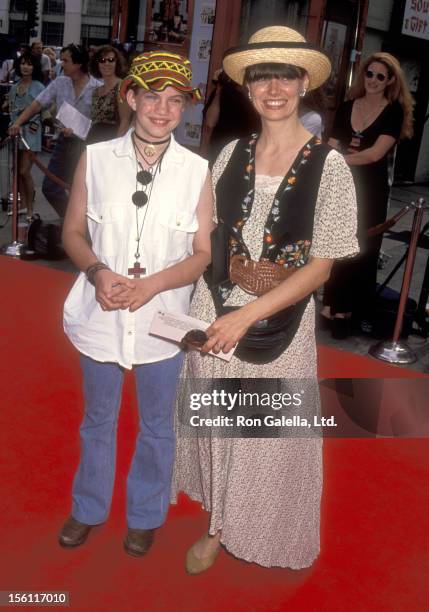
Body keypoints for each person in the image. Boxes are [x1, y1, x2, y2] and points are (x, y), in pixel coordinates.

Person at [171, 26, 358, 572]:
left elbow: (321, 267)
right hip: (214, 306)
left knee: (266, 432)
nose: (272, 87)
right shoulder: (229, 153)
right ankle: (216, 523)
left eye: (284, 75)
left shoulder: (332, 166)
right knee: (217, 420)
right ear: (247, 88)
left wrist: (247, 314)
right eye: (260, 76)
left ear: (304, 83)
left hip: (281, 316)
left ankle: (264, 528)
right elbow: (207, 236)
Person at [59, 51, 213, 557]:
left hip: (164, 319)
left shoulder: (196, 170)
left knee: (157, 425)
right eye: (152, 97)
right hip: (100, 314)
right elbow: (74, 232)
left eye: (174, 101)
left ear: (186, 108)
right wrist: (98, 272)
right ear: (131, 97)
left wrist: (151, 286)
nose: (163, 110)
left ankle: (145, 514)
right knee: (97, 419)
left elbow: (202, 254)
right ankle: (87, 508)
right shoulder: (97, 159)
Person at [321, 52, 414, 338]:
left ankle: (348, 310)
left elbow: (375, 154)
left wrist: (339, 157)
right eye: (369, 74)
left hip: (370, 189)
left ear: (390, 81)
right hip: (341, 182)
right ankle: (329, 305)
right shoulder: (347, 105)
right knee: (335, 243)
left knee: (361, 246)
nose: (373, 80)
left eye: (380, 76)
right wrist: (336, 158)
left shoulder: (393, 111)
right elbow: (332, 142)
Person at [9, 44, 101, 220]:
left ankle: (79, 228)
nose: (61, 63)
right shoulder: (60, 82)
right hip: (64, 143)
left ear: (79, 64)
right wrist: (18, 123)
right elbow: (37, 104)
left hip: (87, 147)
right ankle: (70, 222)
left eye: (66, 60)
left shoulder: (97, 87)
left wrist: (83, 132)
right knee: (50, 187)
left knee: (81, 191)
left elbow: (101, 122)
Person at [7, 53, 44, 219]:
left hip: (31, 133)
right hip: (15, 133)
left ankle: (30, 209)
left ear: (34, 67)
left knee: (24, 171)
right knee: (16, 171)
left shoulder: (39, 87)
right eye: (22, 63)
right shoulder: (14, 87)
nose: (25, 67)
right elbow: (11, 111)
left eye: (29, 64)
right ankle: (22, 205)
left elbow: (43, 110)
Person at [86, 45, 132, 144]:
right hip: (92, 142)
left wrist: (116, 148)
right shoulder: (95, 92)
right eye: (102, 60)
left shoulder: (122, 87)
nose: (106, 63)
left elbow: (125, 121)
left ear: (117, 63)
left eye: (111, 60)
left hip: (111, 141)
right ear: (97, 64)